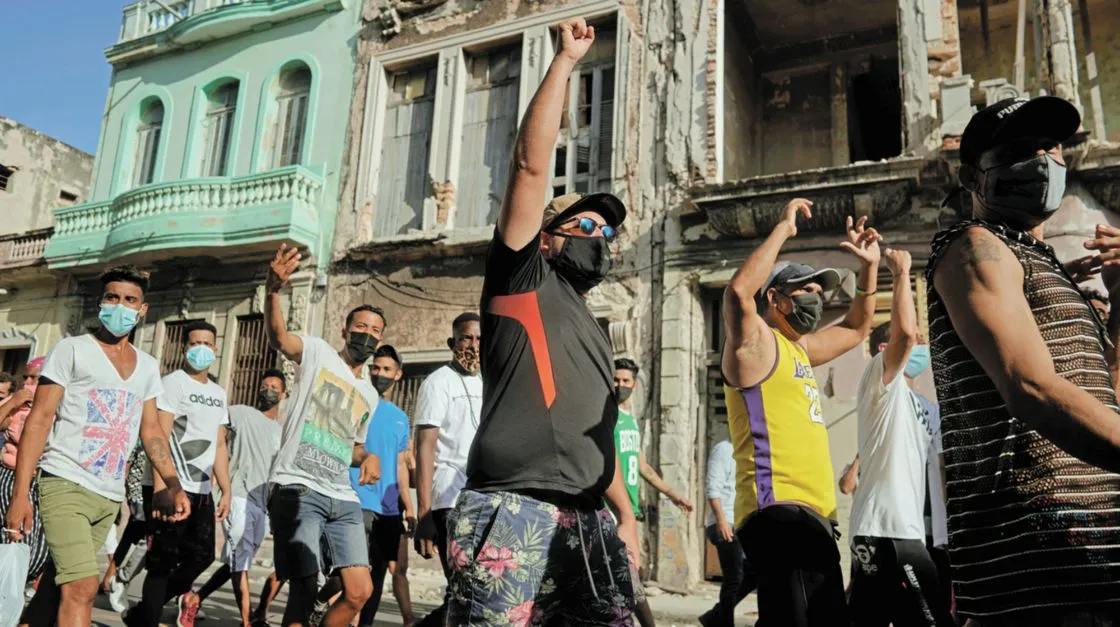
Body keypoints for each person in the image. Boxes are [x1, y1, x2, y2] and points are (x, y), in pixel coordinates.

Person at [446, 17, 637, 623]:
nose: (600, 238)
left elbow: (596, 437)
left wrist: (626, 515)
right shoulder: (520, 280)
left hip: (589, 520)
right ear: (547, 240)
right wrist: (565, 62)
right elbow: (530, 168)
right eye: (585, 226)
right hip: (512, 507)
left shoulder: (592, 330)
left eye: (607, 233)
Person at [926, 96, 1120, 625]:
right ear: (971, 177)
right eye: (1019, 150)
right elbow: (1029, 385)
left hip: (1098, 560)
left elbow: (1104, 396)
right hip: (1030, 569)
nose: (1042, 160)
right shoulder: (973, 247)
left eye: (1051, 147)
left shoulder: (1053, 272)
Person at [721, 197, 881, 625]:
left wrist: (869, 269)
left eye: (818, 291)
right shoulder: (756, 344)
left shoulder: (800, 350)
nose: (815, 298)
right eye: (804, 290)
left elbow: (856, 327)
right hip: (778, 513)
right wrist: (784, 229)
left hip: (815, 517)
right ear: (775, 298)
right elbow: (738, 292)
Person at [6, 265, 189, 627]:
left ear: (143, 310)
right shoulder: (72, 350)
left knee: (55, 592)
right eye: (112, 298)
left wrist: (172, 482)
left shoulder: (149, 367)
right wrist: (20, 494)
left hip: (107, 495)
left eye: (129, 300)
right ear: (101, 302)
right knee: (84, 588)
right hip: (64, 482)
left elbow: (151, 430)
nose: (120, 307)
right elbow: (40, 420)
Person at [264, 244, 382, 627]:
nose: (367, 335)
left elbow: (354, 447)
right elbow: (281, 338)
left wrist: (368, 458)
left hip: (342, 496)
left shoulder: (370, 394)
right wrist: (273, 291)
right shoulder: (317, 353)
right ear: (345, 331)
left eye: (375, 332)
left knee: (359, 591)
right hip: (299, 486)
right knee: (303, 586)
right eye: (361, 328)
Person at [846, 249, 954, 627]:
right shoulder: (879, 383)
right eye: (914, 342)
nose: (919, 344)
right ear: (883, 350)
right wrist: (902, 273)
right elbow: (905, 334)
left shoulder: (925, 408)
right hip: (880, 532)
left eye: (924, 341)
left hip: (910, 535)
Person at [123, 320, 232, 627]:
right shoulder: (172, 383)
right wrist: (162, 488)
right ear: (185, 348)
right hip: (170, 485)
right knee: (163, 563)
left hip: (201, 489)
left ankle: (143, 614)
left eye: (208, 344)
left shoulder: (218, 392)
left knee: (203, 557)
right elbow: (159, 432)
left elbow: (220, 443)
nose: (202, 349)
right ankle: (148, 618)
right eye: (195, 343)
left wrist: (226, 488)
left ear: (216, 348)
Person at [311, 344, 416, 626]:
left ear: (398, 375)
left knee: (377, 576)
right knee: (347, 575)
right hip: (355, 501)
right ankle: (319, 602)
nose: (379, 373)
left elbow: (400, 464)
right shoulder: (356, 399)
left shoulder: (401, 418)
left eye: (386, 369)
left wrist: (409, 505)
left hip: (389, 510)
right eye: (375, 367)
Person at [195, 368, 287, 626]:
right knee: (241, 561)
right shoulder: (242, 413)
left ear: (283, 394)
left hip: (262, 505)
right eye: (264, 385)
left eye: (274, 387)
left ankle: (195, 598)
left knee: (237, 562)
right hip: (238, 496)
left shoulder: (281, 433)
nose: (268, 390)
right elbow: (216, 427)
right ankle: (248, 621)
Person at [412, 312, 482, 626]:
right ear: (452, 342)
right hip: (449, 502)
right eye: (467, 338)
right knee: (465, 595)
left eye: (480, 339)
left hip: (484, 500)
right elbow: (424, 446)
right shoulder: (438, 382)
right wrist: (424, 512)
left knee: (472, 596)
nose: (474, 346)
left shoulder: (489, 381)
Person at [613, 357, 693, 627]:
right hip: (612, 511)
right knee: (630, 577)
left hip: (631, 511)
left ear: (634, 385)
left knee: (625, 577)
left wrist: (673, 494)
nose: (619, 385)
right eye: (615, 380)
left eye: (625, 381)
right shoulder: (607, 417)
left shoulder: (630, 421)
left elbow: (642, 466)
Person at [0, 359, 49, 584]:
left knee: (35, 543)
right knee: (10, 532)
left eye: (35, 378)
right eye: (26, 377)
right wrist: (12, 404)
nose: (29, 382)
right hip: (10, 475)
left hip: (40, 479)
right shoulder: (15, 401)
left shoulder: (53, 405)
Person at [699, 438, 757, 627]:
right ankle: (722, 622)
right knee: (734, 577)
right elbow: (712, 488)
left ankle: (714, 617)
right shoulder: (724, 449)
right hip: (725, 521)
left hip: (742, 523)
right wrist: (721, 521)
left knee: (754, 574)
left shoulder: (749, 451)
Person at [102, 443, 150, 612]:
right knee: (148, 537)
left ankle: (112, 577)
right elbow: (127, 461)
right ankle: (120, 579)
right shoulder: (146, 425)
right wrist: (118, 489)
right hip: (139, 491)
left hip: (157, 491)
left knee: (133, 533)